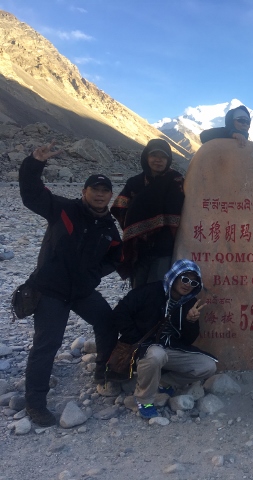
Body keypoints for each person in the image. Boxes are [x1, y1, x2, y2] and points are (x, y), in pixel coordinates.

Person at [19, 143, 123, 427]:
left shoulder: (109, 228)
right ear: (84, 192)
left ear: (110, 196)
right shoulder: (63, 209)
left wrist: (94, 275)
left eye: (105, 191)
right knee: (46, 344)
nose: (100, 195)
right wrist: (34, 163)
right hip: (50, 290)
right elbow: (31, 195)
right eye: (95, 190)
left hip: (81, 291)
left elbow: (116, 255)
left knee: (107, 321)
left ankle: (103, 370)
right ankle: (35, 403)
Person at [112, 259, 218, 419]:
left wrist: (190, 321)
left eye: (193, 283)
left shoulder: (189, 303)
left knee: (208, 366)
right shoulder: (149, 291)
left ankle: (165, 382)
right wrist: (136, 338)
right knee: (156, 354)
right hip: (144, 350)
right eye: (185, 279)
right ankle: (144, 399)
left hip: (170, 349)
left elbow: (188, 340)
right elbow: (119, 313)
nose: (188, 285)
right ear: (175, 275)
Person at [110, 139, 184, 288]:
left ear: (168, 159)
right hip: (138, 248)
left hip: (165, 247)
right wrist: (132, 228)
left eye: (163, 156)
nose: (158, 160)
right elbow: (119, 207)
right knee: (137, 290)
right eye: (154, 155)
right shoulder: (134, 182)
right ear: (146, 157)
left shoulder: (176, 181)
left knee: (157, 290)